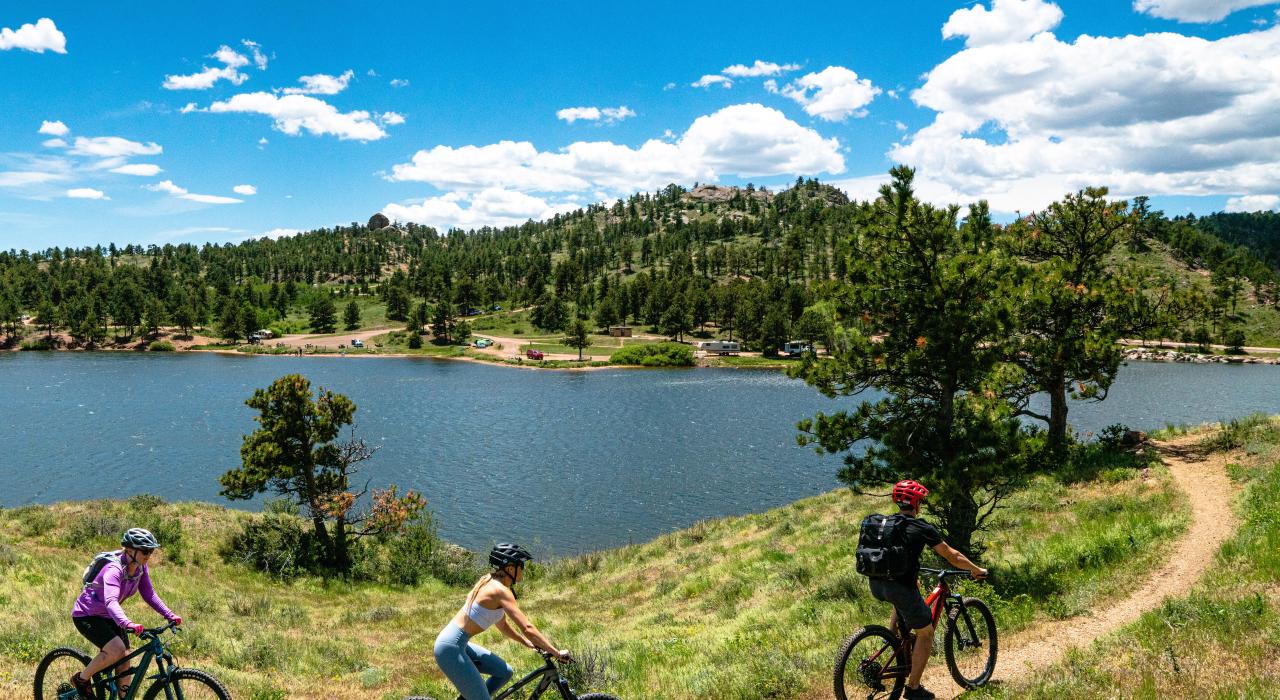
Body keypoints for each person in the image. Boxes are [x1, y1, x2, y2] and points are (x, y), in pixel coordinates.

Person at [869, 480, 987, 700]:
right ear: (916, 504)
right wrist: (975, 569)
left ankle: (892, 639)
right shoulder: (921, 526)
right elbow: (952, 555)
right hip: (899, 588)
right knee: (926, 633)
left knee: (905, 595)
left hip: (876, 584)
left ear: (898, 502)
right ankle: (913, 688)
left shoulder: (887, 524)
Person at [434, 543, 570, 700]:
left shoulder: (489, 580)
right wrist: (556, 652)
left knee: (504, 672)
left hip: (457, 643)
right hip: (451, 649)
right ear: (511, 569)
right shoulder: (501, 591)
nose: (523, 569)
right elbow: (527, 627)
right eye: (521, 565)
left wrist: (526, 642)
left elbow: (502, 624)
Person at [69, 528, 181, 698]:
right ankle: (81, 679)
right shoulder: (113, 569)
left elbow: (149, 593)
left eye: (151, 550)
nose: (148, 554)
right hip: (87, 614)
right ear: (130, 550)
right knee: (116, 649)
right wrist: (127, 623)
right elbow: (111, 601)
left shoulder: (140, 568)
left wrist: (169, 614)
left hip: (109, 615)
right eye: (145, 550)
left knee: (124, 658)